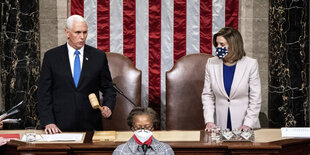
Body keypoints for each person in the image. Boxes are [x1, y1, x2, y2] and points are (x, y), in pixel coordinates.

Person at [37, 15, 116, 134]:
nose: (82, 37)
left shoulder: (98, 56)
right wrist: (48, 121)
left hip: (90, 125)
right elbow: (43, 93)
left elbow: (108, 87)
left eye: (85, 32)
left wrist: (108, 105)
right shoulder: (51, 57)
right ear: (67, 33)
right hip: (58, 126)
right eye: (77, 32)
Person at [202, 27, 261, 131]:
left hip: (245, 125)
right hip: (220, 124)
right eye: (217, 44)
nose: (218, 48)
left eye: (222, 44)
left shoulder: (250, 64)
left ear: (233, 45)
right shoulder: (211, 63)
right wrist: (209, 121)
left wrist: (248, 123)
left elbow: (255, 98)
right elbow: (207, 95)